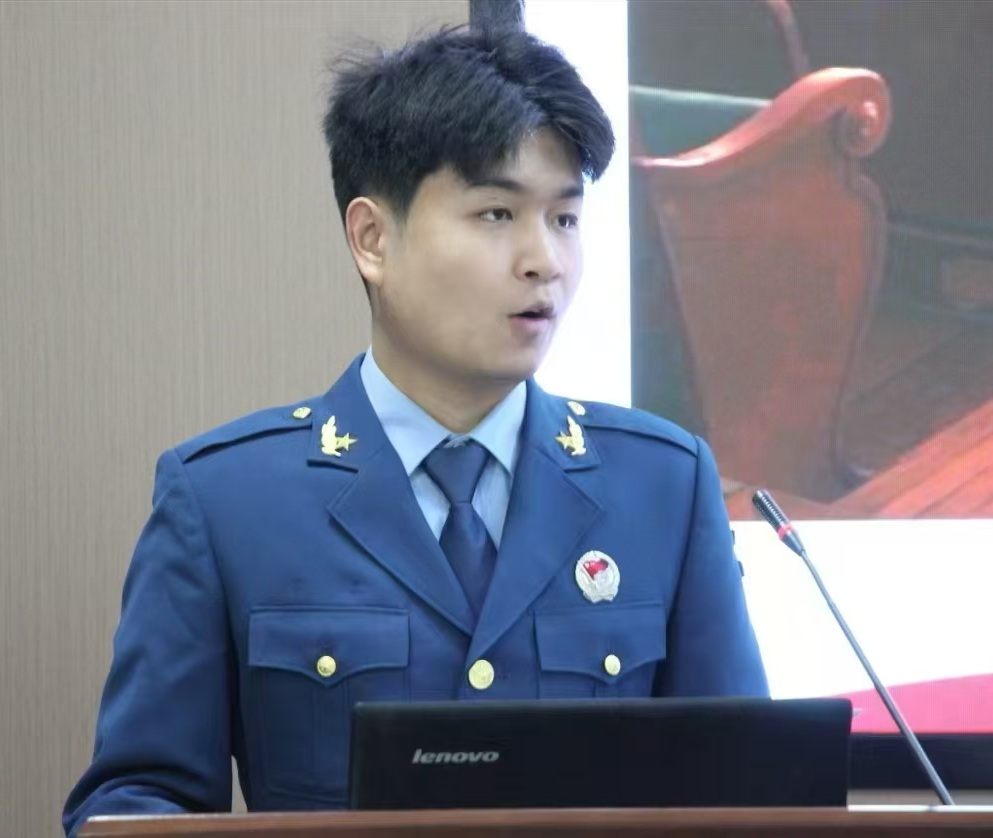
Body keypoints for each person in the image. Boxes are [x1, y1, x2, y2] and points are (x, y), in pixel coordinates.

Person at [63, 24, 767, 835]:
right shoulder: (226, 501)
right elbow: (135, 804)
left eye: (566, 219)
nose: (544, 260)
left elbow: (748, 791)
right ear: (373, 239)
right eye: (497, 213)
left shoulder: (663, 486)